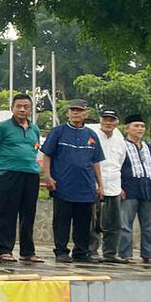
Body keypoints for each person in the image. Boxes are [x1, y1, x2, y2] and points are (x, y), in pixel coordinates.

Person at [41, 99, 103, 262]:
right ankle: (61, 251)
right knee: (61, 221)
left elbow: (95, 161)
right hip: (63, 185)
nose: (76, 113)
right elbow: (47, 154)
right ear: (67, 113)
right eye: (73, 110)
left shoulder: (91, 135)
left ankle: (81, 252)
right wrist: (48, 176)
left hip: (86, 187)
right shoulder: (58, 132)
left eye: (79, 110)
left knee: (83, 223)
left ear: (86, 114)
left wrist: (100, 185)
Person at [0, 93, 43, 263]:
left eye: (26, 106)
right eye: (18, 106)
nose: (22, 109)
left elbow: (35, 150)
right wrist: (8, 165)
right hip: (8, 174)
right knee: (6, 213)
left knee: (29, 213)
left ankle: (27, 251)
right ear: (12, 108)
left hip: (31, 175)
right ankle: (4, 250)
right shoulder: (2, 127)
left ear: (31, 109)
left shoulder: (34, 129)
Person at [119, 114, 151, 264]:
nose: (140, 129)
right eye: (136, 126)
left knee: (150, 226)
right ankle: (125, 255)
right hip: (129, 190)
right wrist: (119, 187)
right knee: (125, 225)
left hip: (148, 191)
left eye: (142, 126)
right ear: (127, 129)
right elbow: (116, 167)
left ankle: (149, 255)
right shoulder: (121, 146)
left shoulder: (150, 148)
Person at [88, 109, 127, 262]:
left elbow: (120, 163)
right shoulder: (93, 136)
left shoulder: (120, 140)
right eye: (105, 120)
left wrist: (121, 186)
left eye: (112, 120)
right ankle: (91, 251)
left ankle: (110, 253)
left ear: (117, 122)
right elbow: (90, 161)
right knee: (94, 222)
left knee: (114, 223)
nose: (108, 123)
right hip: (96, 184)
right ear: (100, 120)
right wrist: (97, 183)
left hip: (115, 186)